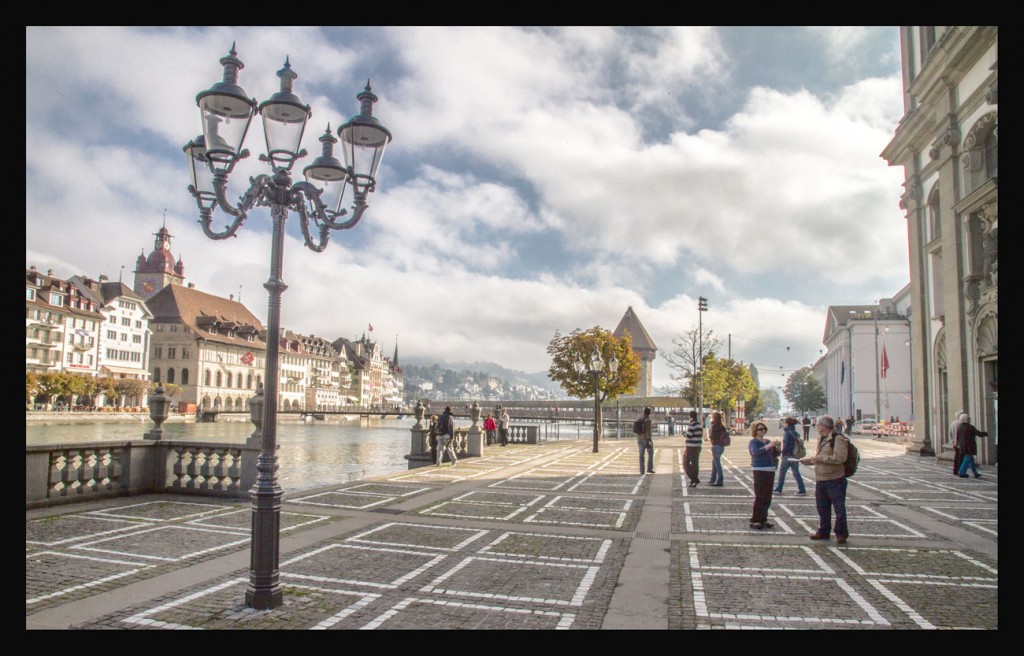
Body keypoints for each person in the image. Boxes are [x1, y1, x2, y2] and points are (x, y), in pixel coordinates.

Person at [800, 415, 849, 544]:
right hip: (821, 478)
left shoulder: (837, 439)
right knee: (822, 507)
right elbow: (820, 456)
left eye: (817, 425)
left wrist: (820, 459)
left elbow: (840, 458)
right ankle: (823, 531)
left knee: (839, 508)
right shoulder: (821, 438)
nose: (816, 427)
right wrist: (810, 461)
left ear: (823, 426)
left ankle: (841, 533)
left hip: (835, 479)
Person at [748, 421, 781, 530]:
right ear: (755, 431)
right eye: (760, 429)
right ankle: (756, 519)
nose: (763, 431)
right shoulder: (753, 442)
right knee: (760, 495)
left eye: (764, 429)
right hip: (759, 469)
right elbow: (755, 452)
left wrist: (778, 447)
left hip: (770, 469)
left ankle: (763, 518)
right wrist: (768, 446)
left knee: (767, 496)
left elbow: (775, 454)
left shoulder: (767, 441)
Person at [774, 417, 807, 496]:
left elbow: (786, 445)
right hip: (795, 455)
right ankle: (802, 489)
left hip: (787, 455)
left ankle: (779, 488)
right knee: (796, 472)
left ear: (787, 423)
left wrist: (782, 453)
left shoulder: (787, 432)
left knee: (782, 472)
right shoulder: (795, 432)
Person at [955, 413, 988, 478]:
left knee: (971, 460)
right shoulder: (970, 427)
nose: (970, 419)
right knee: (967, 458)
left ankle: (975, 473)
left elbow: (958, 437)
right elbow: (979, 434)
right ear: (965, 419)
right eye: (968, 418)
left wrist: (958, 443)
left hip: (962, 445)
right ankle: (961, 472)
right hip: (969, 446)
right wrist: (986, 433)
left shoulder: (959, 427)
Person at [682, 410, 704, 487]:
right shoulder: (699, 425)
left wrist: (684, 433)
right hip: (698, 447)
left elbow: (689, 435)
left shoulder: (692, 425)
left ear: (690, 416)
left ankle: (695, 479)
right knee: (695, 464)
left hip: (691, 447)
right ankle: (693, 481)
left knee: (685, 463)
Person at [708, 411, 730, 486]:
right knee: (714, 462)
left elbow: (712, 436)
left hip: (716, 446)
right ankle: (712, 479)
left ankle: (720, 480)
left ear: (714, 418)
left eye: (712, 417)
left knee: (717, 464)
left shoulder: (714, 426)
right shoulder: (722, 426)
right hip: (721, 446)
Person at [637, 407, 654, 474]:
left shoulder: (640, 419)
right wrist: (649, 440)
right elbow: (648, 431)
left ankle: (642, 470)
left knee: (641, 455)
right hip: (646, 439)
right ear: (649, 413)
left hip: (639, 439)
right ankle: (649, 468)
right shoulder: (648, 420)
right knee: (651, 453)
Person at [949, 410, 965, 476]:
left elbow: (950, 434)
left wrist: (952, 442)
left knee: (957, 457)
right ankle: (959, 470)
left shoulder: (952, 423)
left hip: (955, 443)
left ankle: (955, 470)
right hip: (960, 443)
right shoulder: (960, 424)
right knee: (960, 457)